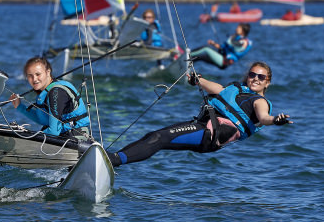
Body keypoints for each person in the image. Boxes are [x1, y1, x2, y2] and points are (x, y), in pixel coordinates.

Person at [108, 62, 291, 167]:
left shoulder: (260, 102)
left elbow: (264, 118)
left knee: (158, 137)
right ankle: (116, 157)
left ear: (268, 82)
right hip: (202, 127)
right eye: (252, 74)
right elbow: (217, 88)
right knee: (156, 138)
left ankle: (115, 159)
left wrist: (276, 120)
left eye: (261, 77)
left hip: (210, 134)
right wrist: (198, 80)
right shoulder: (235, 89)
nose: (255, 79)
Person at [9, 57, 91, 137]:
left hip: (75, 138)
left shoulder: (56, 93)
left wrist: (29, 137)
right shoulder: (47, 91)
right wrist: (19, 107)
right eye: (30, 76)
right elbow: (42, 119)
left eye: (38, 74)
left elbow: (53, 132)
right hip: (62, 136)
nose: (34, 79)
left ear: (48, 72)